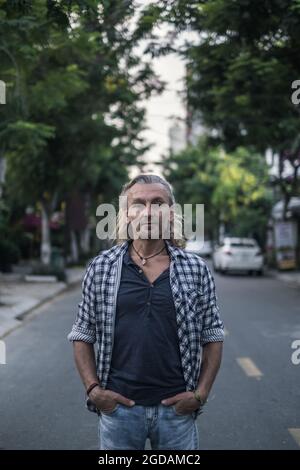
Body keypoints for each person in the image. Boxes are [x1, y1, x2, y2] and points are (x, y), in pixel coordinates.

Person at [68, 174, 224, 450]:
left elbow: (212, 335)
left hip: (177, 412)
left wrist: (199, 395)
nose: (149, 212)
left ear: (171, 213)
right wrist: (94, 391)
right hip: (119, 412)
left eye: (158, 203)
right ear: (126, 214)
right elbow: (82, 333)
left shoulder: (196, 269)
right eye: (138, 204)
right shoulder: (101, 267)